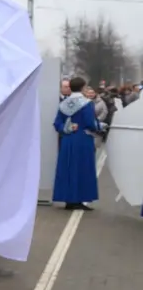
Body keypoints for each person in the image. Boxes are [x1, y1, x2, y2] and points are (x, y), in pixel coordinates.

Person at [52, 76, 100, 211]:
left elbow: (57, 124)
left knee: (68, 168)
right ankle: (79, 199)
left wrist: (67, 128)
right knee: (82, 168)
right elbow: (91, 124)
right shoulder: (87, 103)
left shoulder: (63, 104)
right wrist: (99, 126)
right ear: (83, 87)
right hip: (83, 140)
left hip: (68, 140)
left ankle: (69, 199)